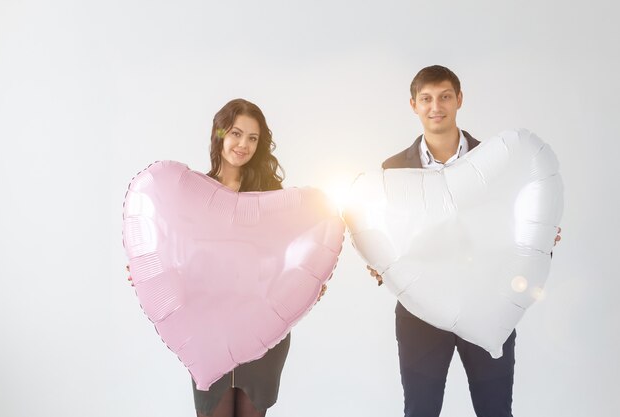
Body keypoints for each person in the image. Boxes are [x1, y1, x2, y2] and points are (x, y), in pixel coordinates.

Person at [368, 65, 561, 417]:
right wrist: (381, 265)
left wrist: (541, 235)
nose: (435, 106)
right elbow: (385, 236)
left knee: (495, 411)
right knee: (420, 412)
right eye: (426, 99)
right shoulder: (392, 170)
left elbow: (521, 218)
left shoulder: (496, 160)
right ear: (413, 105)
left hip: (489, 307)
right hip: (420, 318)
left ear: (459, 100)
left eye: (444, 97)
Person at [128, 98, 326, 417]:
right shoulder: (192, 193)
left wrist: (310, 281)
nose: (243, 144)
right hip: (208, 332)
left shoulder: (274, 199)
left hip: (261, 332)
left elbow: (295, 253)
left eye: (253, 138)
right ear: (220, 134)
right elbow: (175, 251)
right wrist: (146, 269)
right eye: (236, 133)